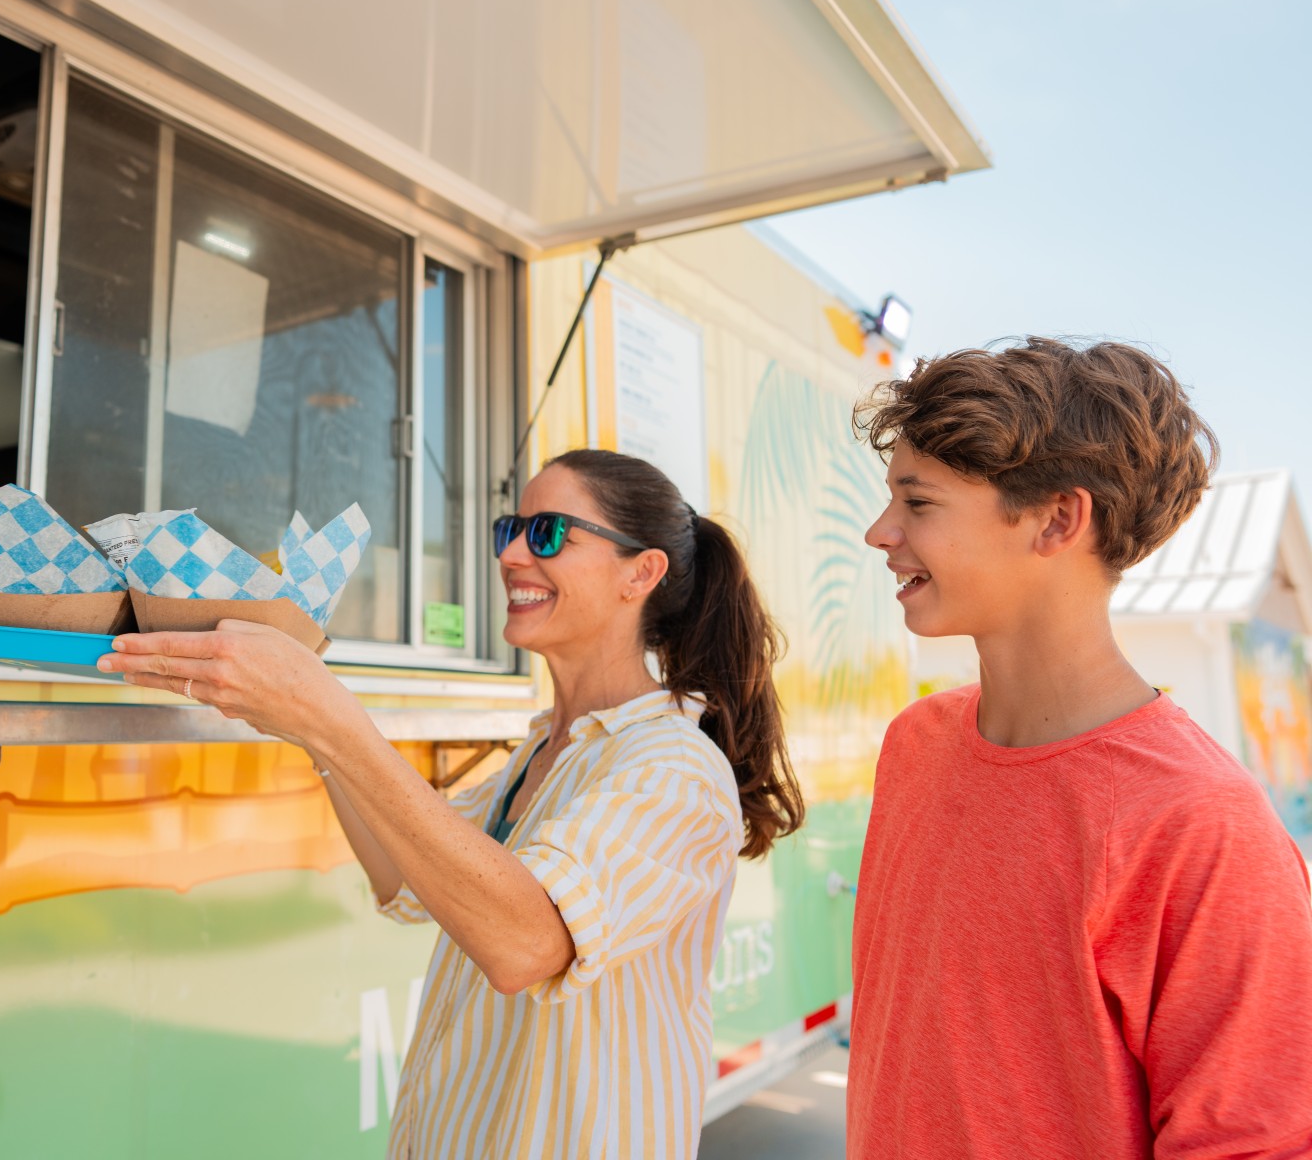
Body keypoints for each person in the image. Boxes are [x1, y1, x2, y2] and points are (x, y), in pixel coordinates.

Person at [99, 449, 805, 1158]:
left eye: (550, 532)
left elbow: (526, 943)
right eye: (511, 529)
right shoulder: (543, 750)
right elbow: (405, 877)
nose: (514, 553)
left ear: (640, 573)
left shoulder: (673, 765)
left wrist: (327, 714)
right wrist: (306, 728)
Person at [847, 338, 1312, 1158]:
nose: (879, 532)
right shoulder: (913, 746)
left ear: (1059, 519)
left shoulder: (1200, 823)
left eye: (918, 504)